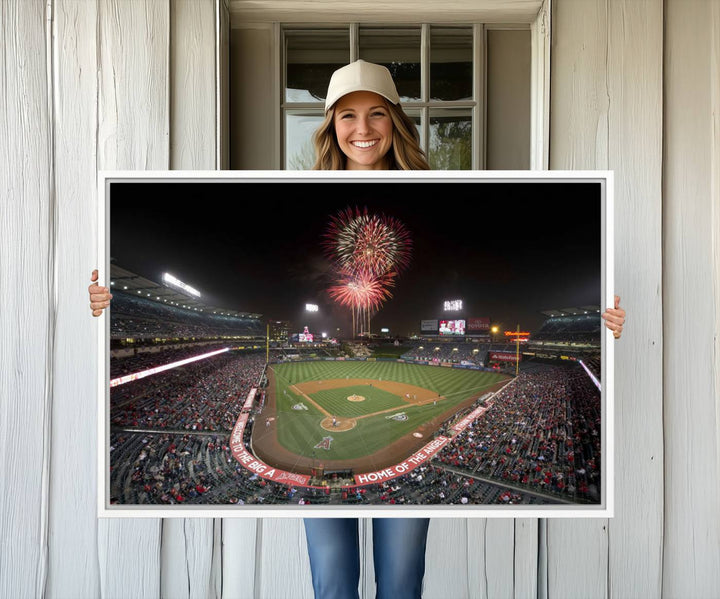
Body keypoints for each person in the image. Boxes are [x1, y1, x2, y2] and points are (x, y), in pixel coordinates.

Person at [87, 59, 627, 599]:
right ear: (330, 126)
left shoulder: (436, 187)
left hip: (398, 497)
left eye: (376, 114)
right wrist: (105, 305)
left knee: (400, 581)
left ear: (396, 121)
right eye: (347, 116)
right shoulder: (301, 189)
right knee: (333, 581)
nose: (362, 129)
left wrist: (609, 327)